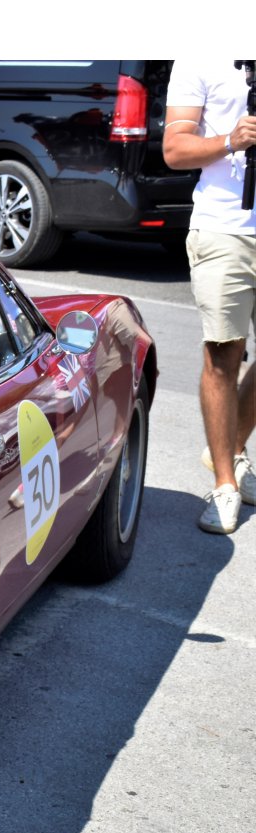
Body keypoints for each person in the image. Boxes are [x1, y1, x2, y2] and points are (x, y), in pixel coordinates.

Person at [164, 61, 256, 534]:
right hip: (224, 228)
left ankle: (231, 446)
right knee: (224, 354)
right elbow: (174, 149)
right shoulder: (201, 53)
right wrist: (230, 141)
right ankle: (225, 484)